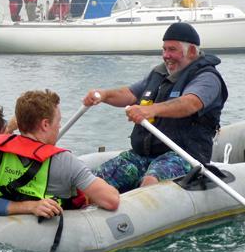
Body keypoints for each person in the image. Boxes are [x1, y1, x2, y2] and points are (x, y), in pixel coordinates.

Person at [82, 22, 228, 193]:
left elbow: (191, 103)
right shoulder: (159, 73)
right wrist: (104, 95)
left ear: (192, 52)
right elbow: (129, 94)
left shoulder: (207, 78)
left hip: (184, 156)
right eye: (164, 49)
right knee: (96, 181)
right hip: (143, 155)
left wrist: (151, 110)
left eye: (172, 49)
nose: (166, 55)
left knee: (151, 182)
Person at [0, 89, 120, 218]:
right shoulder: (66, 162)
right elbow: (111, 201)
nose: (59, 126)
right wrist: (32, 206)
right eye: (58, 121)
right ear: (45, 124)